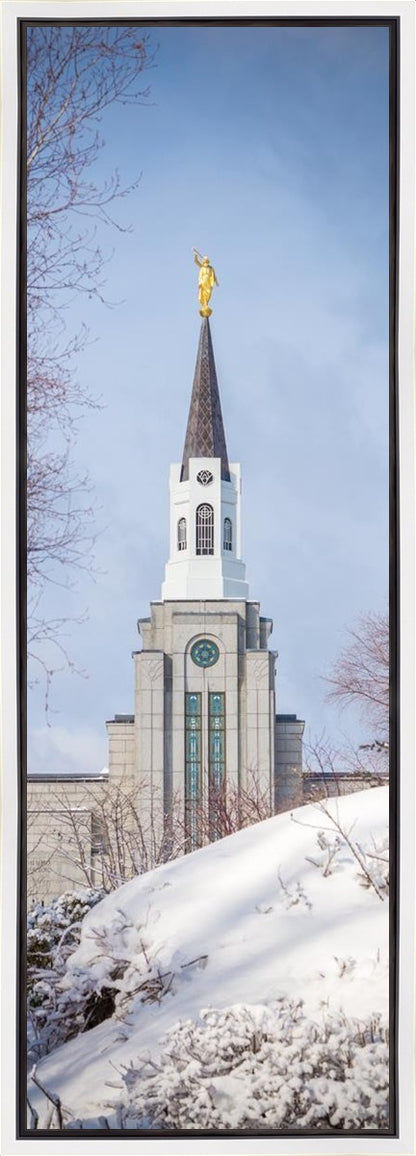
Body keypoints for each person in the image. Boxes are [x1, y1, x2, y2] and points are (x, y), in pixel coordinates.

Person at [192, 248, 219, 315]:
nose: (205, 261)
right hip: (203, 280)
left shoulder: (210, 268)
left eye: (206, 260)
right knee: (203, 292)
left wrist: (216, 281)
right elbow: (196, 261)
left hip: (209, 282)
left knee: (208, 293)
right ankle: (204, 304)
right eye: (204, 260)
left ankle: (206, 303)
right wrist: (196, 255)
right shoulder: (202, 267)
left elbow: (214, 275)